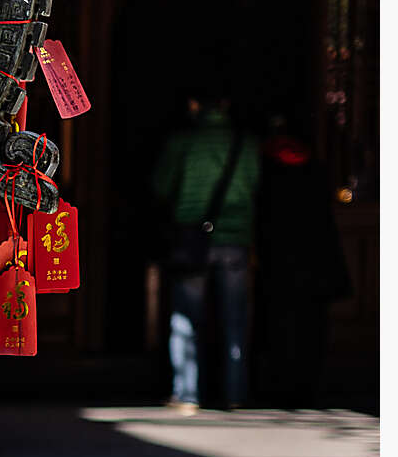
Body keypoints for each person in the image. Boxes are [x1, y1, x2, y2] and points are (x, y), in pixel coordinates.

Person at [151, 92, 261, 412]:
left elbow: (161, 186)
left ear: (194, 105)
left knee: (186, 317)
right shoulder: (246, 144)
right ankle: (236, 393)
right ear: (226, 106)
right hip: (236, 237)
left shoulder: (181, 143)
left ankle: (187, 394)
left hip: (193, 237)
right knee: (236, 319)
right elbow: (255, 186)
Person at [254, 114, 352, 407]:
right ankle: (307, 387)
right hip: (314, 262)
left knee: (279, 325)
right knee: (311, 328)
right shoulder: (313, 167)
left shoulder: (268, 168)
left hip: (280, 262)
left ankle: (279, 386)